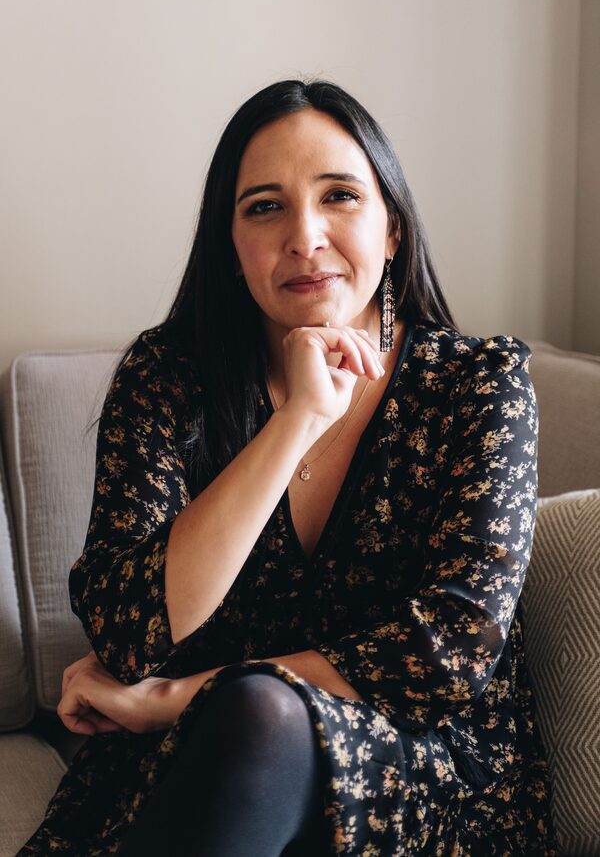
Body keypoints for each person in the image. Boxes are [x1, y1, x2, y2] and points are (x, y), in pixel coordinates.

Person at [17, 78, 559, 856]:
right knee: (251, 725)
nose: (304, 237)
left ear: (393, 229)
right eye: (265, 207)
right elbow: (125, 632)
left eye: (340, 195)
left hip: (420, 766)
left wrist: (181, 697)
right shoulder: (167, 378)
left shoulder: (477, 384)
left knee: (261, 714)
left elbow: (450, 649)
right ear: (230, 247)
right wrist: (297, 421)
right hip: (211, 766)